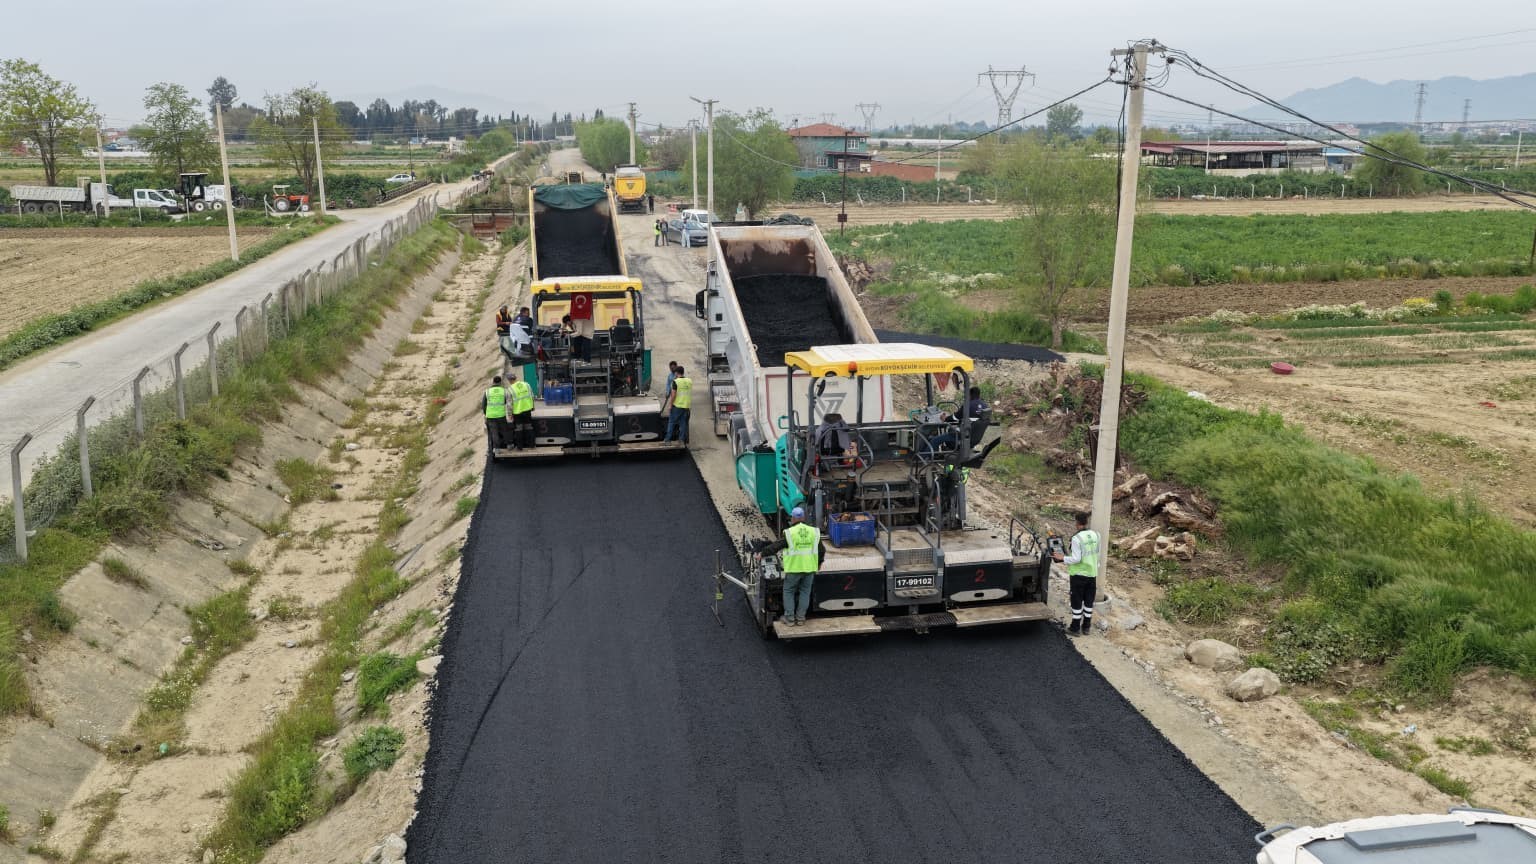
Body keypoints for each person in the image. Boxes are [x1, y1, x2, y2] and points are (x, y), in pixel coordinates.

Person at [761, 506, 820, 626]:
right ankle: (801, 618)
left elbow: (776, 546)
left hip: (794, 568)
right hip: (810, 569)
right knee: (805, 592)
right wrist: (819, 564)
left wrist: (762, 553)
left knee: (788, 591)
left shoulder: (790, 533)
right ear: (803, 517)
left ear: (793, 518)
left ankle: (789, 619)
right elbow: (822, 550)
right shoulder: (814, 531)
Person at [1054, 511, 1101, 636]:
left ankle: (1075, 628)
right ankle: (1086, 627)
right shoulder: (1096, 535)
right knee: (1088, 601)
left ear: (1077, 523)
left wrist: (1062, 557)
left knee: (1077, 601)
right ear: (1086, 522)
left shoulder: (1076, 538)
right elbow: (1097, 554)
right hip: (1092, 574)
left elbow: (1076, 559)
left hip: (1079, 575)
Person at [662, 365, 691, 444]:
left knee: (671, 422)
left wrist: (670, 405)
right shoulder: (689, 381)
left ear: (676, 373)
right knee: (683, 424)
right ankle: (681, 440)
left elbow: (673, 395)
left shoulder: (676, 382)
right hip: (686, 406)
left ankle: (667, 440)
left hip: (677, 406)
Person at [480, 375, 508, 452]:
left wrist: (486, 414)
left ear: (493, 382)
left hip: (491, 416)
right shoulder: (504, 391)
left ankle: (497, 448)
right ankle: (509, 445)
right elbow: (507, 402)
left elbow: (483, 405)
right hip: (501, 415)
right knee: (504, 430)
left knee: (494, 432)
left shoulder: (487, 391)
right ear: (500, 382)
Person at [509, 375, 535, 449]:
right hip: (527, 410)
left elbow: (509, 404)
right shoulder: (526, 384)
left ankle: (520, 447)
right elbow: (532, 396)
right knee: (529, 427)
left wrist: (510, 414)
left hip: (517, 412)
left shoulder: (510, 388)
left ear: (510, 380)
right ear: (516, 378)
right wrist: (533, 407)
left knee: (518, 429)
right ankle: (532, 445)